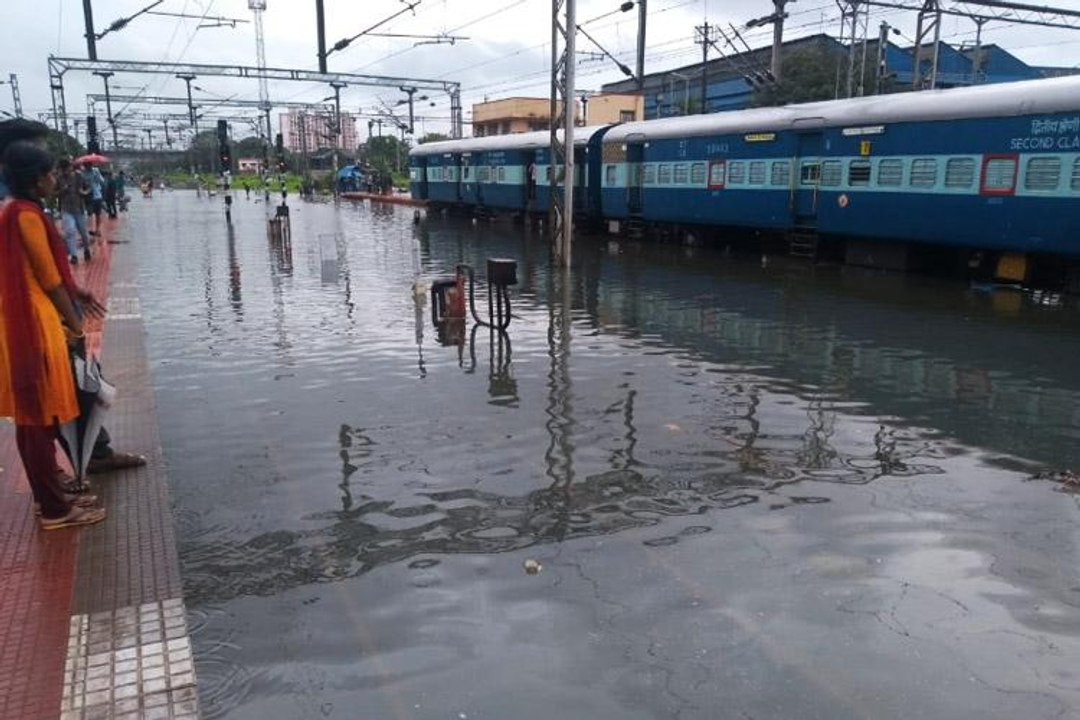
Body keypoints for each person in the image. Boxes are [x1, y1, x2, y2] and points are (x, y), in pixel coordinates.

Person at [0, 141, 106, 529]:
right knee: (37, 417)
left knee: (34, 417)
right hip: (33, 322)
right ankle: (55, 509)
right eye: (48, 174)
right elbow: (48, 279)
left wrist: (76, 291)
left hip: (18, 319)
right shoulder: (26, 216)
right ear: (36, 178)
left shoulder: (11, 210)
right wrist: (76, 326)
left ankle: (52, 492)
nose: (53, 181)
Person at [56, 159, 92, 264]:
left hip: (79, 208)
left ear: (70, 167)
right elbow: (54, 192)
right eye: (63, 170)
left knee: (83, 233)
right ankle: (74, 255)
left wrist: (84, 192)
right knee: (70, 231)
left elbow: (88, 187)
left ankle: (86, 249)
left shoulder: (78, 176)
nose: (65, 172)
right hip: (66, 209)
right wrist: (62, 190)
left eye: (66, 169)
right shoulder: (59, 179)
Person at [85, 164, 105, 236]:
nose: (88, 165)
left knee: (98, 214)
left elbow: (102, 181)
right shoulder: (83, 173)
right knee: (89, 213)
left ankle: (97, 229)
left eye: (89, 163)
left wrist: (97, 176)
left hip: (97, 196)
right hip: (88, 196)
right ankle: (90, 229)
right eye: (86, 164)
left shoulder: (96, 171)